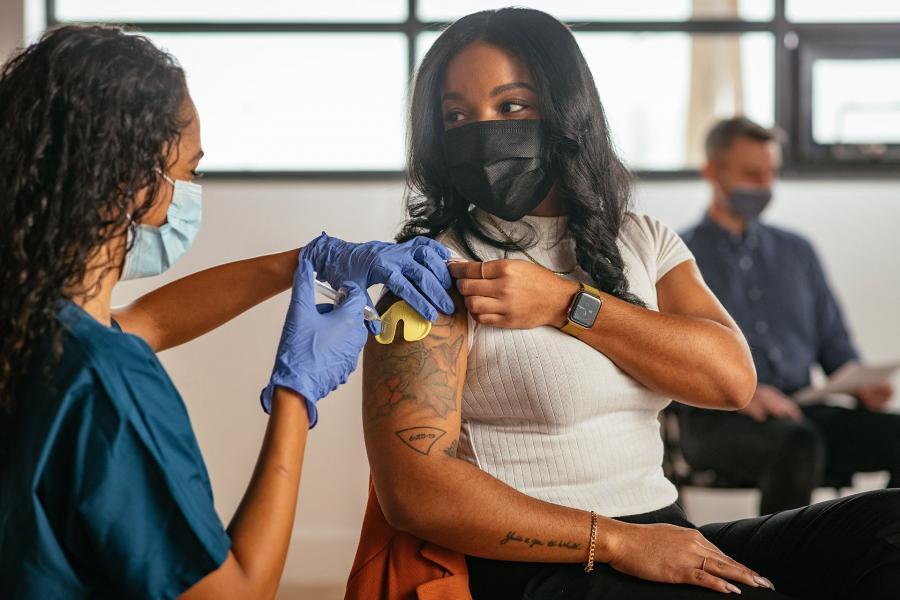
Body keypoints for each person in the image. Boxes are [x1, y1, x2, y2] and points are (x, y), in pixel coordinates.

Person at [348, 8, 900, 600]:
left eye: (511, 106)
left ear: (566, 110)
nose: (483, 133)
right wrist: (616, 541)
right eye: (456, 115)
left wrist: (566, 302)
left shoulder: (642, 239)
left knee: (887, 525)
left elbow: (731, 380)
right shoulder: (432, 272)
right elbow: (415, 491)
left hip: (663, 532)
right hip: (542, 564)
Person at [0, 25, 455, 599]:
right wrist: (296, 393)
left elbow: (149, 321)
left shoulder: (32, 326)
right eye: (191, 172)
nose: (192, 191)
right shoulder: (104, 384)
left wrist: (308, 260)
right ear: (133, 181)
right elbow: (235, 592)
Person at [677, 116, 900, 515]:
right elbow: (671, 357)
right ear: (712, 171)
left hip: (803, 409)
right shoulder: (679, 259)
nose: (765, 186)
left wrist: (860, 383)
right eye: (752, 174)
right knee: (798, 444)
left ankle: (880, 546)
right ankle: (781, 556)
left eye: (771, 174)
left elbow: (835, 346)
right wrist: (742, 393)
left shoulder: (798, 252)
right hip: (719, 418)